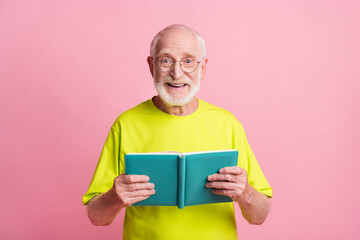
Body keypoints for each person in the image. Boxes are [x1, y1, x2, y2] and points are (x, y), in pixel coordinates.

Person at [83, 24, 273, 240]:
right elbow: (97, 217)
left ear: (202, 68)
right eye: (166, 60)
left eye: (188, 61)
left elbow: (260, 216)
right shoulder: (125, 124)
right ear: (151, 66)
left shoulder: (228, 124)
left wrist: (245, 192)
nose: (176, 72)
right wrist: (115, 197)